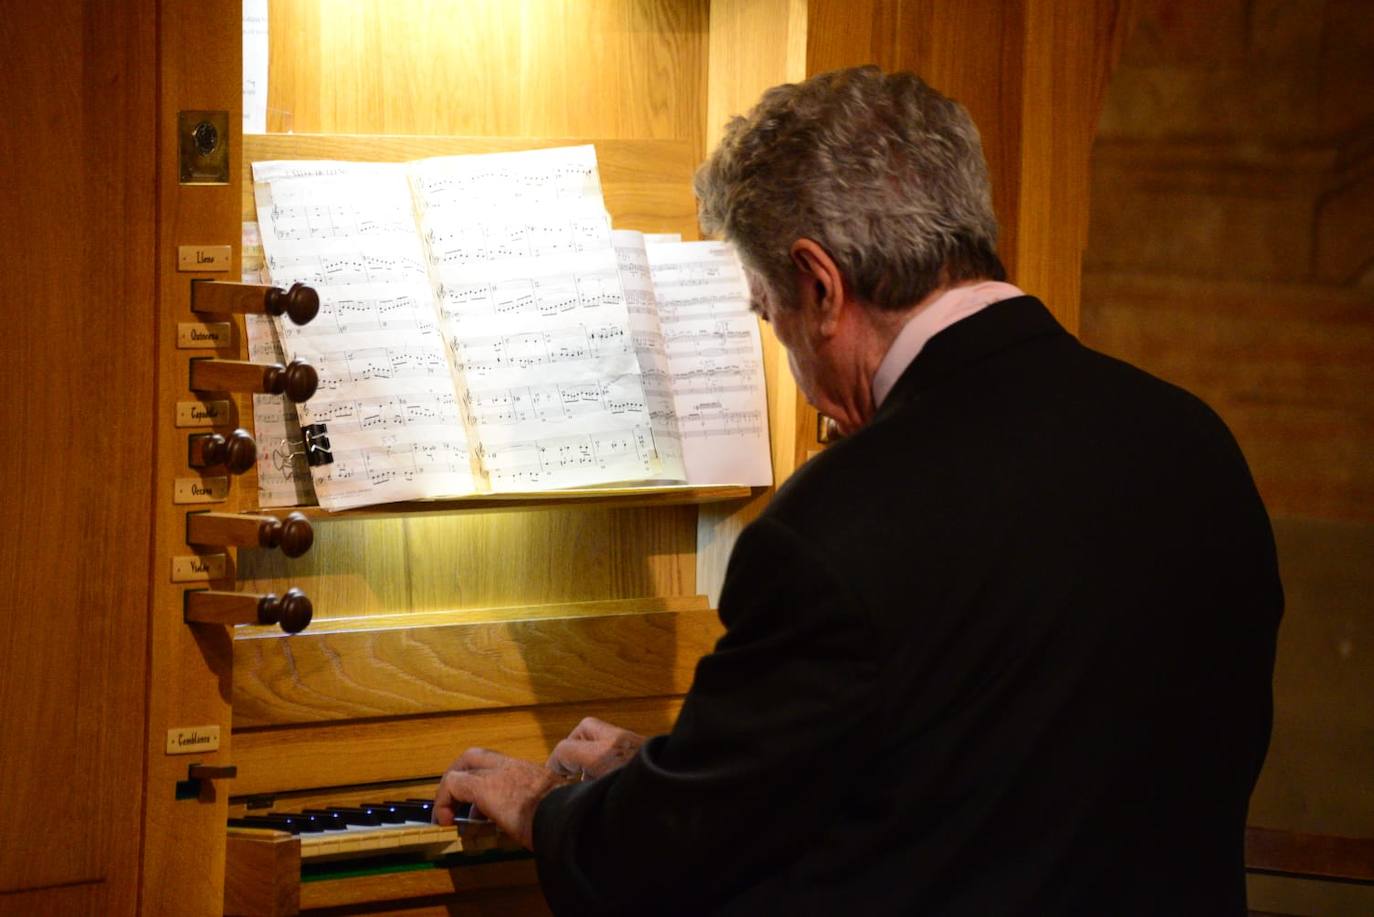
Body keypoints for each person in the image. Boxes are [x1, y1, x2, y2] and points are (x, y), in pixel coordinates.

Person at [433, 66, 1283, 915]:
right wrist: (681, 769)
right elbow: (987, 768)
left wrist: (549, 803)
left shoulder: (837, 525)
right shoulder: (1193, 442)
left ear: (819, 284)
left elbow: (652, 868)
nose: (799, 384)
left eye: (771, 317)